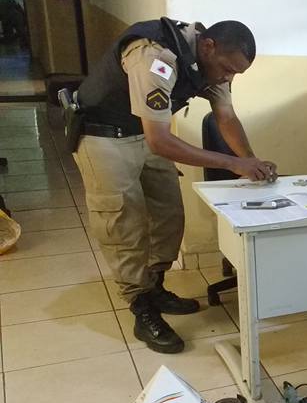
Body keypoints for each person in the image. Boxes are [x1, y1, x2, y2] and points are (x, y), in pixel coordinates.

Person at [74, 18, 276, 354]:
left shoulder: (212, 63)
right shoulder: (154, 55)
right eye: (227, 69)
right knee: (123, 223)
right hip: (103, 134)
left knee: (169, 215)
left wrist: (251, 162)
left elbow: (226, 116)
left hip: (144, 133)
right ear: (208, 46)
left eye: (236, 73)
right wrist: (231, 163)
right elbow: (162, 142)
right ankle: (141, 307)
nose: (228, 78)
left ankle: (155, 286)